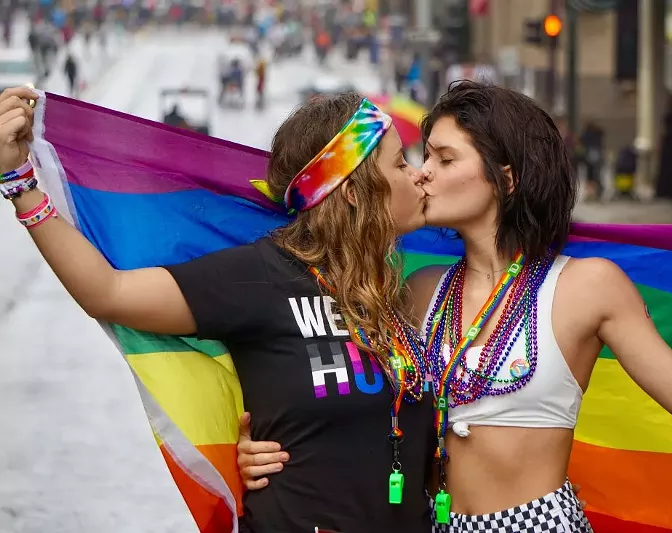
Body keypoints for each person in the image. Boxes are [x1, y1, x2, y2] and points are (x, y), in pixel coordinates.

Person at [236, 81, 672, 532]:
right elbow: (346, 405)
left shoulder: (587, 287)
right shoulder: (419, 290)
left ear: (504, 178)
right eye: (421, 157)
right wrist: (260, 451)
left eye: (443, 157)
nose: (423, 172)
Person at [0, 87, 432, 533]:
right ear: (354, 192)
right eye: (401, 163)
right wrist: (20, 182)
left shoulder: (410, 288)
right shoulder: (262, 276)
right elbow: (108, 291)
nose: (419, 175)